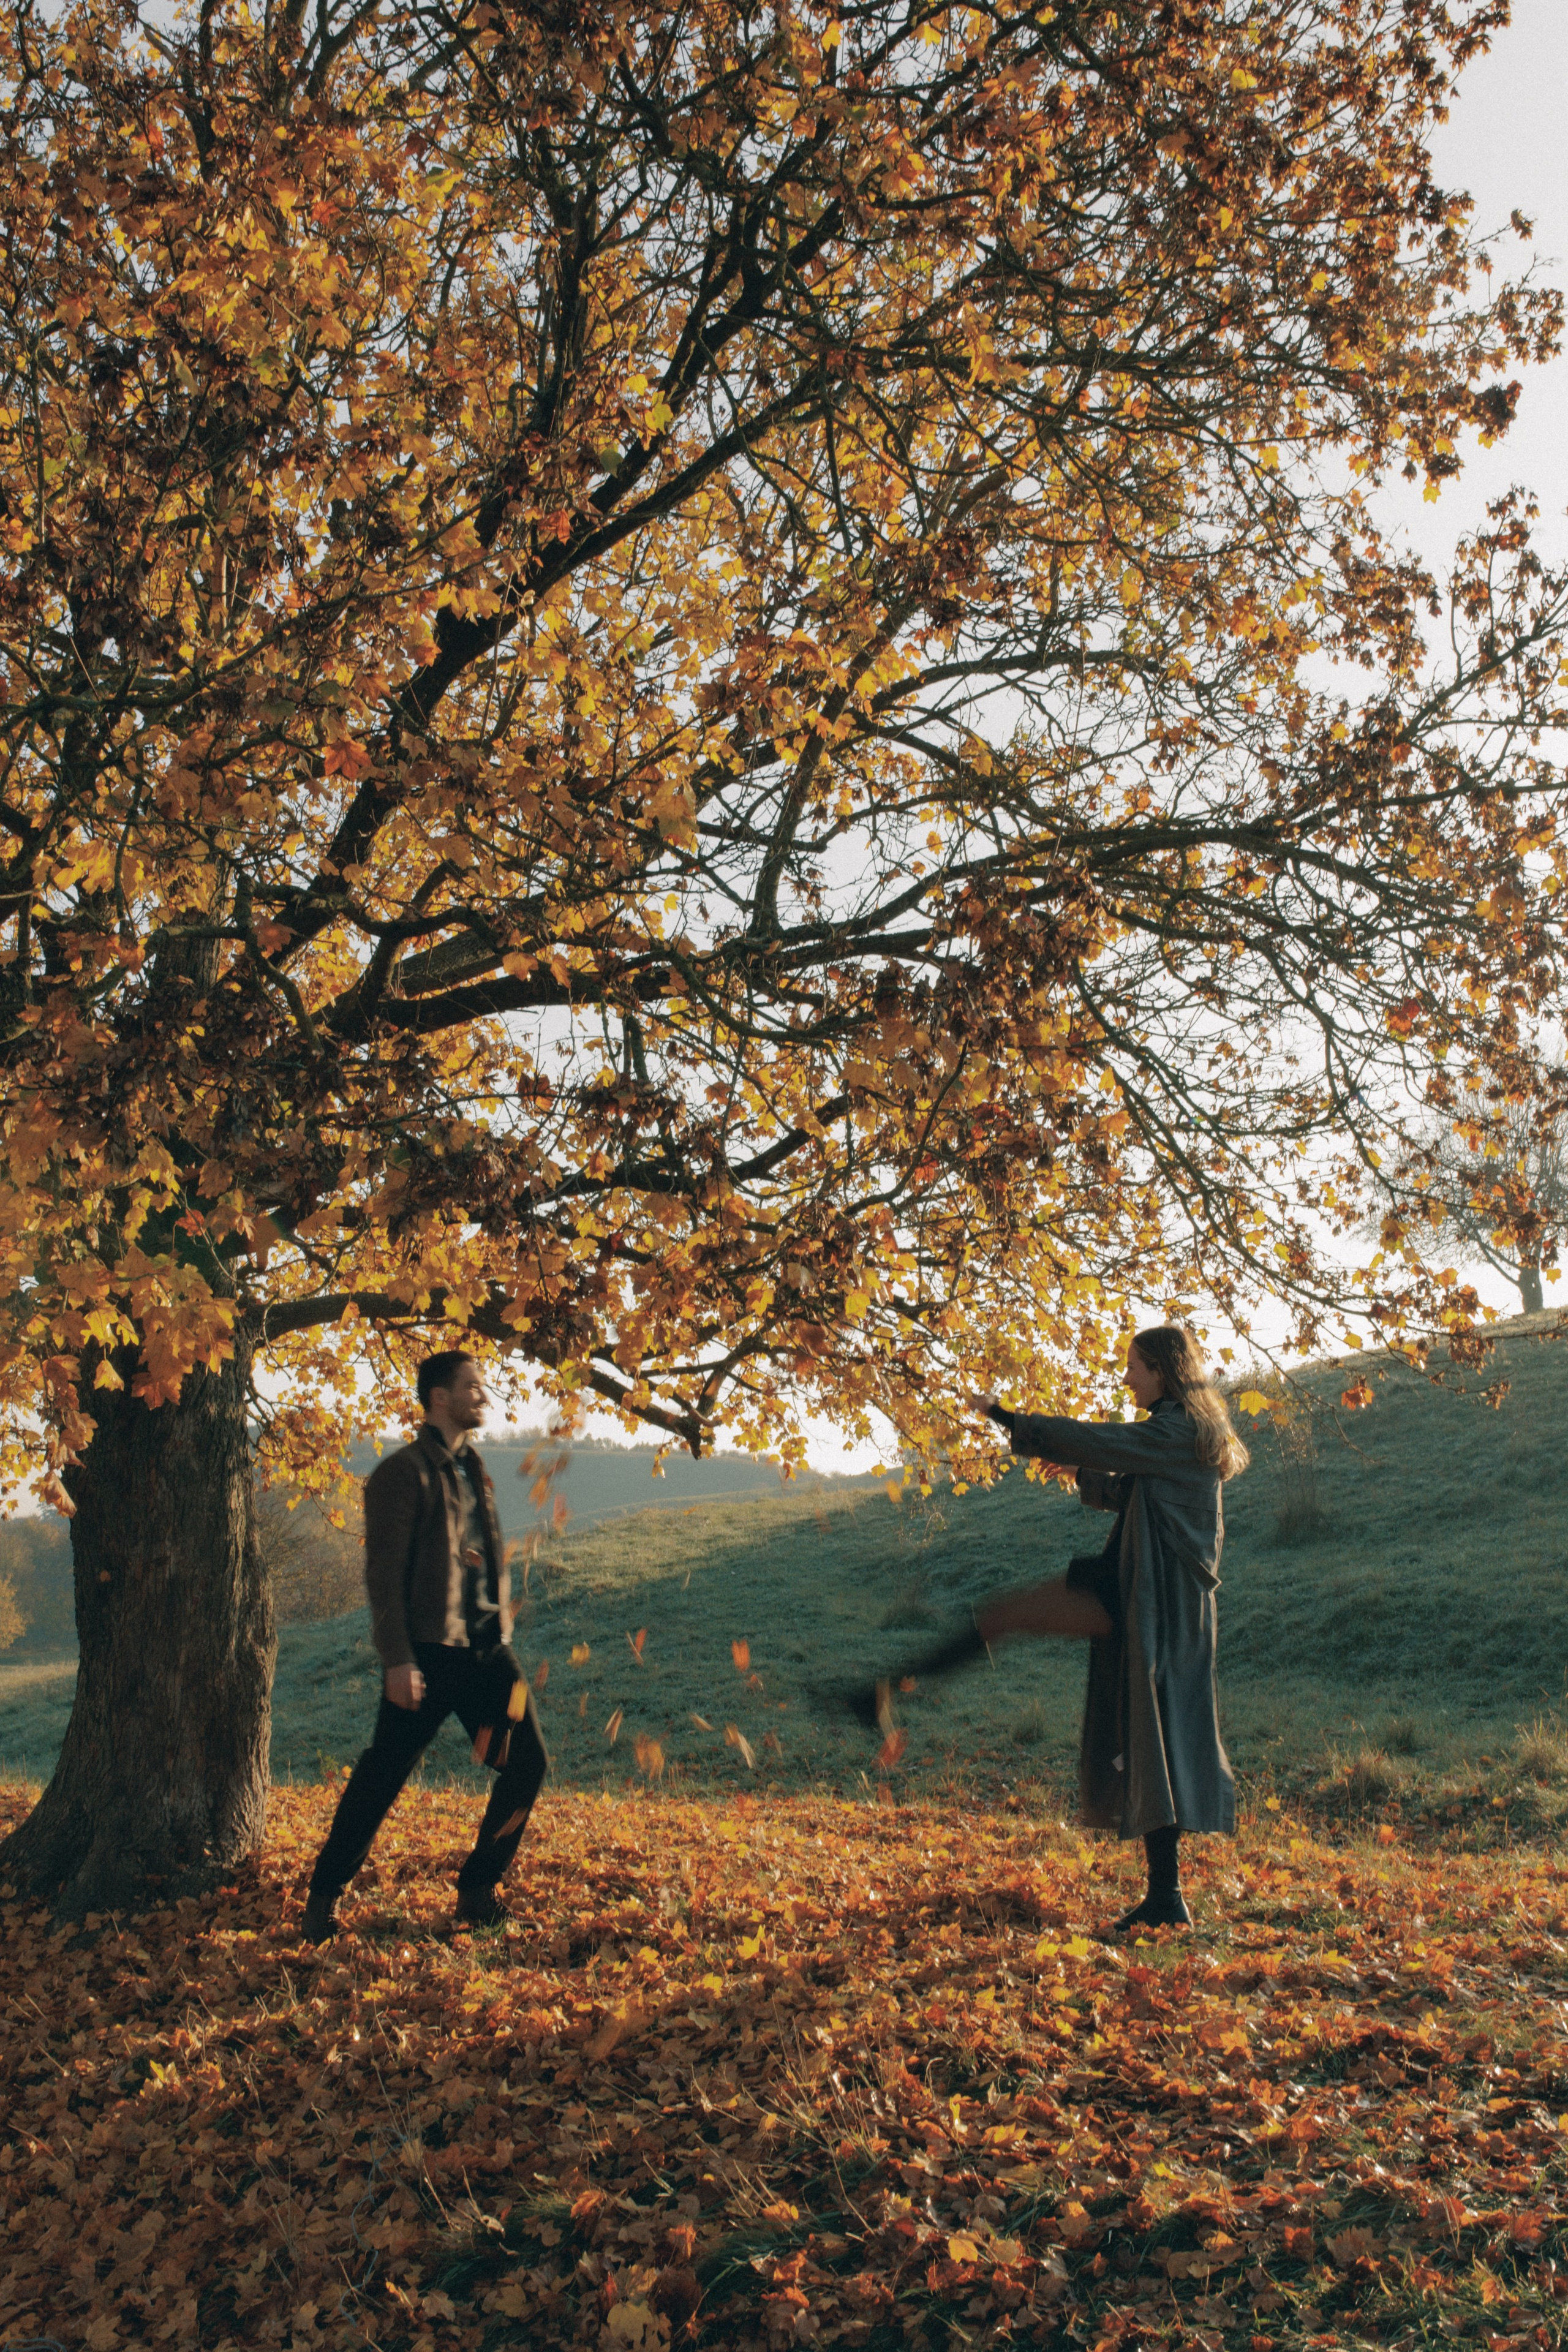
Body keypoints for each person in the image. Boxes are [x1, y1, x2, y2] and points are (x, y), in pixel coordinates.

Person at [851, 1326, 1248, 1934]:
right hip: (1134, 1589)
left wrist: (1007, 1418)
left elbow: (1101, 1441)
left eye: (1134, 1367)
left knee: (1150, 1731)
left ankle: (884, 1690)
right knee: (1017, 1625)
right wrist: (1078, 1472)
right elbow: (1126, 1492)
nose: (1126, 1378)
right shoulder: (1175, 1432)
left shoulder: (1177, 1431)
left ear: (1163, 1372)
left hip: (1156, 1602)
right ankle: (882, 1691)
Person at [301, 1351, 548, 1942]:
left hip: (489, 1650)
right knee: (383, 1775)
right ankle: (323, 1898)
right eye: (473, 1387)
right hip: (430, 1654)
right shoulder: (401, 1473)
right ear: (441, 1396)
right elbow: (383, 1574)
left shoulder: (473, 1469)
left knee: (528, 1764)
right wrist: (398, 1658)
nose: (483, 1397)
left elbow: (476, 1553)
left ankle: (477, 1889)